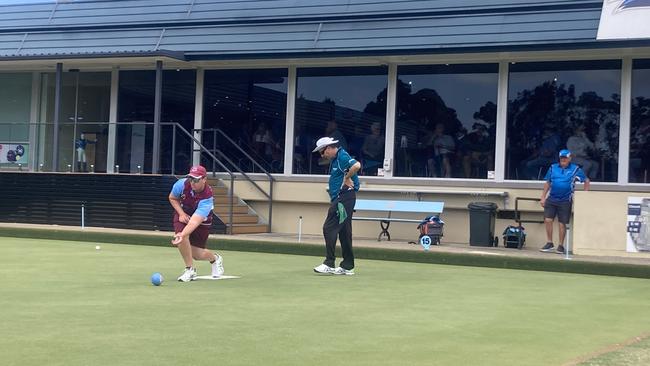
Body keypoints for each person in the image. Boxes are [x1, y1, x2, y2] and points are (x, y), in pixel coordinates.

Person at [312, 137, 361, 275]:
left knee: (329, 227)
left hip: (343, 198)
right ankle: (347, 266)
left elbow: (357, 165)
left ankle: (329, 263)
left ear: (328, 148)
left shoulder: (341, 156)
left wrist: (347, 178)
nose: (322, 156)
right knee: (344, 232)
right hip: (344, 198)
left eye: (322, 152)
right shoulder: (336, 159)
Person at [169, 165, 224, 282]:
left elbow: (194, 222)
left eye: (196, 179)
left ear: (204, 179)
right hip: (184, 213)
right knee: (182, 235)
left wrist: (182, 235)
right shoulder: (181, 184)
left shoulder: (207, 199)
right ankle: (190, 269)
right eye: (190, 178)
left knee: (197, 254)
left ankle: (215, 259)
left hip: (201, 221)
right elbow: (173, 198)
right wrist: (181, 214)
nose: (192, 182)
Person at [539, 149, 590, 254]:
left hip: (565, 200)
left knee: (562, 223)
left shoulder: (575, 169)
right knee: (548, 220)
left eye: (565, 158)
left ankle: (561, 246)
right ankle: (549, 243)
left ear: (570, 158)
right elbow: (548, 182)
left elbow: (586, 180)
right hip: (552, 198)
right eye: (562, 158)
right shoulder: (553, 168)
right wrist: (543, 197)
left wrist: (584, 195)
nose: (563, 160)